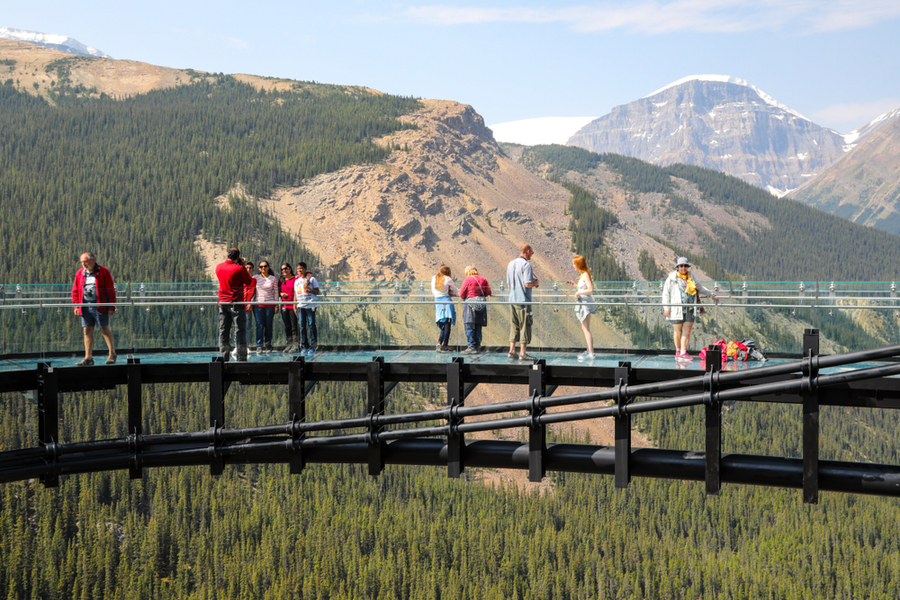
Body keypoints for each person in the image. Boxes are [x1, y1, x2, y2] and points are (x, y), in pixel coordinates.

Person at [662, 256, 717, 361]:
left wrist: (710, 294)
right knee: (677, 331)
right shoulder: (671, 278)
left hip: (690, 308)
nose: (683, 268)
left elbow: (699, 287)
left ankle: (683, 352)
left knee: (687, 331)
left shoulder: (691, 276)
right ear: (677, 267)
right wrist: (666, 308)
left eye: (685, 266)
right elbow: (666, 294)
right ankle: (678, 352)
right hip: (676, 308)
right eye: (681, 266)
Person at [71, 252, 117, 366]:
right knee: (86, 330)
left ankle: (112, 354)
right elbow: (75, 290)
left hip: (99, 305)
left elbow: (110, 290)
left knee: (104, 329)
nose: (84, 264)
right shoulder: (80, 273)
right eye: (82, 262)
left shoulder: (103, 272)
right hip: (85, 306)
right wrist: (76, 305)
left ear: (93, 260)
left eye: (85, 262)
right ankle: (88, 358)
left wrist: (111, 306)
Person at [215, 248, 254, 361]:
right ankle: (241, 357)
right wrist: (242, 265)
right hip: (236, 303)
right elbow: (248, 281)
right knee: (239, 330)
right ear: (238, 257)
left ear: (227, 255)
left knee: (223, 330)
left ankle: (224, 356)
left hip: (222, 302)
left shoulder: (219, 267)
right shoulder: (239, 269)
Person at [506, 244, 539, 360]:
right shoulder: (526, 265)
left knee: (514, 325)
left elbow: (508, 284)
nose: (532, 255)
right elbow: (527, 284)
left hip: (512, 299)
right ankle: (523, 353)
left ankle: (511, 351)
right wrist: (535, 283)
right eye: (532, 253)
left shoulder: (510, 264)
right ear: (528, 251)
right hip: (523, 300)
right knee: (525, 325)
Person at [568, 255, 597, 360]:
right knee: (585, 328)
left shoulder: (584, 275)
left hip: (585, 304)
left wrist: (578, 292)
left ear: (578, 264)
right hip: (583, 303)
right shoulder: (583, 275)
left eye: (574, 264)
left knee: (586, 328)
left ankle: (591, 353)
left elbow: (590, 289)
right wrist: (576, 286)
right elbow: (585, 287)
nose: (573, 266)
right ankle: (589, 351)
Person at [458, 265, 492, 354]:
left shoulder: (467, 279)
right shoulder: (483, 279)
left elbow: (461, 294)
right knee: (478, 326)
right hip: (481, 305)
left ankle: (471, 346)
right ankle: (477, 346)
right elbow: (488, 292)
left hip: (470, 305)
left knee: (469, 326)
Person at [294, 262, 320, 355]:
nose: (299, 270)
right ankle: (305, 345)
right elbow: (295, 293)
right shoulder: (297, 281)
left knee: (311, 325)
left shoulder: (312, 279)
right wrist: (294, 305)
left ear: (305, 269)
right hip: (300, 306)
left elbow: (318, 292)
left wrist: (310, 290)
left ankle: (314, 345)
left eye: (301, 268)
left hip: (310, 305)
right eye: (298, 269)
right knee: (302, 326)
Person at [252, 261, 279, 353]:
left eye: (265, 266)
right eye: (261, 266)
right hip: (258, 305)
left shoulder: (273, 279)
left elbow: (276, 292)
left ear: (268, 267)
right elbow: (250, 289)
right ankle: (259, 345)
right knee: (259, 325)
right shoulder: (255, 278)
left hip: (270, 305)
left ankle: (268, 345)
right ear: (259, 268)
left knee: (268, 325)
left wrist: (276, 305)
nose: (263, 268)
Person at [431, 265, 458, 352]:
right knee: (447, 324)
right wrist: (450, 292)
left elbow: (433, 291)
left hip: (438, 301)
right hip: (447, 301)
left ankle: (439, 342)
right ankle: (445, 345)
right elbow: (456, 291)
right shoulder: (448, 279)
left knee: (442, 323)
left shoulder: (434, 278)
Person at [279, 263, 300, 353]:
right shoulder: (281, 280)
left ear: (290, 269)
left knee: (294, 326)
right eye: (282, 269)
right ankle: (289, 344)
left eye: (286, 268)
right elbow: (277, 290)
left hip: (293, 305)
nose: (284, 270)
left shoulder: (296, 278)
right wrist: (281, 294)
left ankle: (296, 345)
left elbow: (305, 275)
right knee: (287, 326)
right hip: (284, 306)